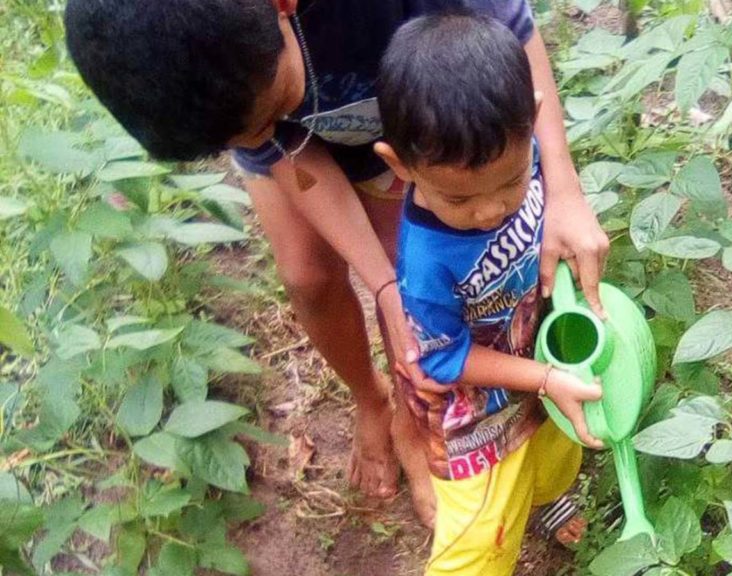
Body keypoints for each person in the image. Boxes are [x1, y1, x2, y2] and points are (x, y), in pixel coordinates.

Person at [63, 0, 610, 526]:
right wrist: (385, 287)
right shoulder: (228, 77)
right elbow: (282, 144)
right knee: (307, 275)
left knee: (419, 298)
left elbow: (513, 26)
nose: (256, 137)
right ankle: (371, 402)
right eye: (237, 140)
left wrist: (562, 186)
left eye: (269, 108)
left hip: (428, 123)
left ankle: (419, 424)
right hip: (317, 133)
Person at [373, 12, 603, 574]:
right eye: (459, 201)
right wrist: (545, 379)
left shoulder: (527, 151)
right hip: (478, 415)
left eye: (510, 183)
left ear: (534, 124)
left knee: (550, 457)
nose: (491, 209)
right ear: (399, 166)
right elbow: (445, 358)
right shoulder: (425, 264)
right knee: (476, 543)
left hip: (538, 357)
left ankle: (545, 499)